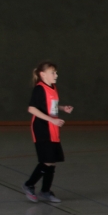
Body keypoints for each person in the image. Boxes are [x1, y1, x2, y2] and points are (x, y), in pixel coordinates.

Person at [23, 61, 73, 203]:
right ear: (43, 74)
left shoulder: (53, 87)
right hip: (42, 128)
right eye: (53, 73)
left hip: (52, 128)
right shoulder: (39, 89)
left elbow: (50, 106)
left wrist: (62, 108)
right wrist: (51, 120)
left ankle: (45, 191)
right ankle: (29, 185)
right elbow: (32, 108)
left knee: (52, 162)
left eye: (56, 72)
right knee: (47, 160)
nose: (56, 75)